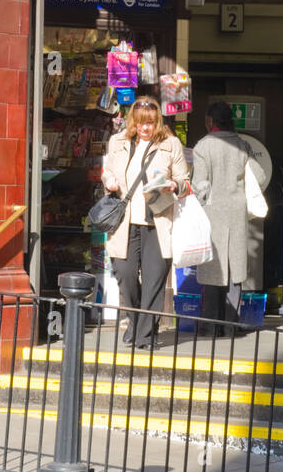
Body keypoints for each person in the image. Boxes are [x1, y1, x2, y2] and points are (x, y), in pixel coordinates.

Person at [102, 96, 188, 350]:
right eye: (140, 123)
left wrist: (174, 184)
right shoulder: (117, 142)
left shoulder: (171, 144)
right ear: (133, 122)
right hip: (124, 222)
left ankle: (145, 335)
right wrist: (108, 180)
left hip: (158, 221)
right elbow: (108, 171)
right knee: (125, 275)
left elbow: (184, 181)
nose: (145, 128)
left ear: (157, 121)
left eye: (150, 123)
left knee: (154, 280)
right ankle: (135, 319)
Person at [191, 100, 254, 332]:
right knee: (235, 270)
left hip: (213, 212)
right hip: (237, 211)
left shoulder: (203, 147)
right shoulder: (242, 145)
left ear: (210, 121)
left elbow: (201, 185)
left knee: (213, 271)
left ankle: (211, 327)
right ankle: (231, 326)